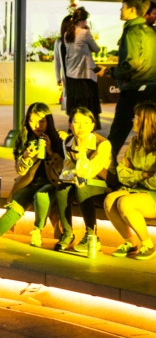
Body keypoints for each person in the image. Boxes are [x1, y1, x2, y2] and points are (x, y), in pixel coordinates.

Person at [0, 103, 64, 253]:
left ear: (49, 121)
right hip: (30, 183)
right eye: (32, 121)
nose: (37, 125)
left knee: (41, 195)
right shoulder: (25, 138)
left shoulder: (59, 138)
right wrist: (26, 156)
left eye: (42, 121)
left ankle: (37, 231)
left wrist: (51, 151)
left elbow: (62, 169)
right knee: (18, 200)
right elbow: (20, 170)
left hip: (51, 183)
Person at [44, 107, 112, 255]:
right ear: (70, 125)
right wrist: (72, 176)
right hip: (80, 182)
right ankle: (67, 233)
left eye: (86, 123)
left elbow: (88, 172)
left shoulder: (103, 144)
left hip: (102, 186)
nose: (81, 127)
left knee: (82, 187)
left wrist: (81, 150)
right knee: (61, 188)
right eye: (77, 122)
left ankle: (92, 236)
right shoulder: (68, 142)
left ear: (92, 126)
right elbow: (66, 170)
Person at [106, 0, 156, 161]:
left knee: (118, 133)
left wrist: (111, 72)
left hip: (135, 89)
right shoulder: (150, 31)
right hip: (151, 88)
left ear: (132, 9)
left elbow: (133, 63)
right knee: (149, 132)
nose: (121, 10)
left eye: (123, 7)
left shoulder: (132, 31)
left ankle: (106, 168)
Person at [104, 101, 156, 260]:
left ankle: (147, 244)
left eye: (136, 117)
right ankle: (130, 242)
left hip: (153, 194)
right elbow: (122, 172)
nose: (133, 120)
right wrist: (144, 175)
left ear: (146, 121)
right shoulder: (135, 143)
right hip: (138, 189)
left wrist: (135, 174)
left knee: (125, 203)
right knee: (109, 200)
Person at [54, 7, 101, 128]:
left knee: (75, 105)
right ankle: (88, 127)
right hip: (85, 75)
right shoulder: (85, 33)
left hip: (71, 75)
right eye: (85, 20)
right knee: (88, 104)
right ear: (82, 21)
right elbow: (96, 49)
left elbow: (58, 60)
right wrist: (88, 31)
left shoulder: (66, 34)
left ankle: (74, 126)